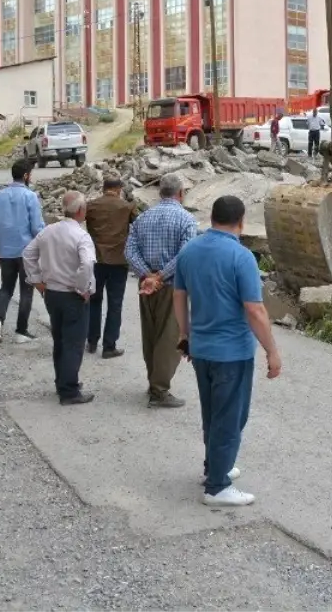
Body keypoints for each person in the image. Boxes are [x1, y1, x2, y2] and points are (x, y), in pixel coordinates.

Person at [174, 195, 282, 506]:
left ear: (212, 218)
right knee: (231, 417)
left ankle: (215, 467)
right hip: (232, 351)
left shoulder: (189, 251)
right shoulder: (241, 257)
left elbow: (178, 297)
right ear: (241, 221)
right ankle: (218, 487)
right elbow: (255, 309)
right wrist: (272, 351)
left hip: (202, 349)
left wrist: (185, 334)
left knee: (213, 413)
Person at [124, 173, 198, 408]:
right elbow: (186, 255)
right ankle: (159, 390)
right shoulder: (186, 219)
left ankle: (154, 382)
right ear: (181, 194)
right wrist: (161, 276)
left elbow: (129, 251)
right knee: (170, 337)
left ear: (160, 193)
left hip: (147, 285)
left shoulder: (143, 218)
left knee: (151, 335)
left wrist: (147, 275)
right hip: (171, 286)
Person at [22, 190, 96, 405]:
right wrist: (82, 288)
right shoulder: (81, 236)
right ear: (81, 211)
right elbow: (87, 264)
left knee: (60, 340)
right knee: (73, 342)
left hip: (52, 292)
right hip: (72, 294)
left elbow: (28, 254)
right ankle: (69, 390)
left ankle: (63, 381)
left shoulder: (48, 231)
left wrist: (36, 280)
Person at [0, 159, 44, 345]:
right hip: (27, 252)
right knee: (26, 291)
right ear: (27, 175)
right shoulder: (30, 196)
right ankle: (21, 330)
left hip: (5, 251)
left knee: (6, 287)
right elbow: (37, 227)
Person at [84, 175, 137, 358]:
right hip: (118, 261)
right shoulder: (126, 207)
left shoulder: (91, 206)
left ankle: (91, 341)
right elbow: (136, 225)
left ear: (103, 188)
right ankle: (109, 346)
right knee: (115, 304)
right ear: (119, 189)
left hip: (96, 260)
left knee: (94, 301)